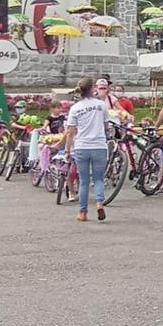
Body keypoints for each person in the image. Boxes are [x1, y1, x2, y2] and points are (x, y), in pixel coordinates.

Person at [65, 77, 110, 223]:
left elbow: (71, 131)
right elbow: (106, 126)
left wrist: (67, 150)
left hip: (82, 146)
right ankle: (99, 203)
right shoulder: (101, 105)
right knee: (98, 179)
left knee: (84, 181)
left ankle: (83, 212)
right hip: (99, 146)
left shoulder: (75, 108)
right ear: (93, 89)